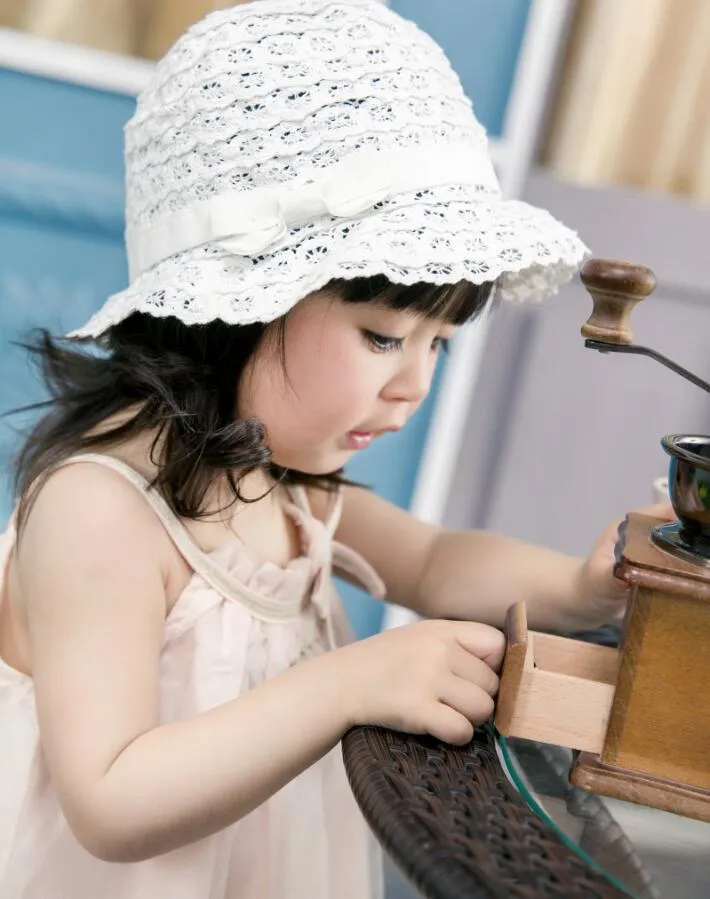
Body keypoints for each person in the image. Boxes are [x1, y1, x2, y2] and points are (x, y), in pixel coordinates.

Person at [0, 2, 669, 897]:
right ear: (233, 307)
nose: (415, 387)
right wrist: (350, 684)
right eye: (384, 337)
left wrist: (579, 586)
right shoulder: (106, 511)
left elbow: (432, 560)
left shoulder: (284, 481)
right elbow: (111, 799)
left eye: (439, 345)